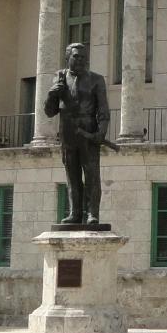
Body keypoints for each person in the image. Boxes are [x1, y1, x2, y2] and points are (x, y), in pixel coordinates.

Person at [44, 41, 111, 226]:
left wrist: (101, 131)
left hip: (88, 130)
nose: (80, 60)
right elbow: (49, 112)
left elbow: (103, 109)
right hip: (67, 132)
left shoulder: (96, 79)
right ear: (68, 58)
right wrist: (52, 94)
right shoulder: (59, 77)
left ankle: (92, 214)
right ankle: (75, 213)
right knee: (72, 175)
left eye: (83, 57)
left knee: (92, 175)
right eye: (76, 56)